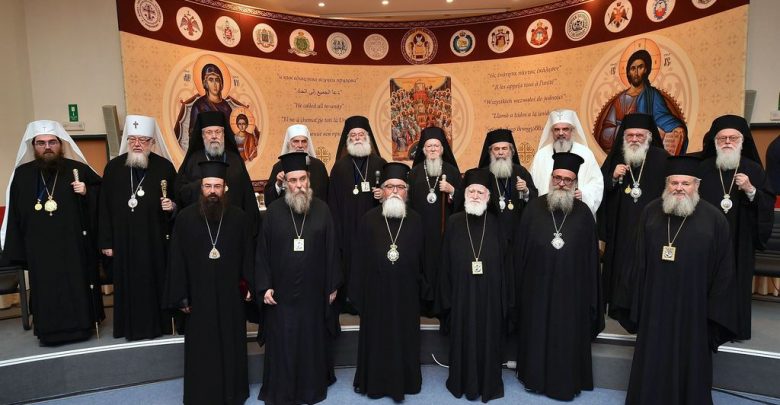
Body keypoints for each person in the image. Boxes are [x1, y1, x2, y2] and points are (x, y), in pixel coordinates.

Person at [621, 156, 738, 405]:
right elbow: (637, 259)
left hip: (694, 308)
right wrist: (636, 300)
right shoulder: (650, 212)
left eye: (686, 183)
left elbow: (724, 270)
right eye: (674, 183)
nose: (679, 188)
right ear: (667, 185)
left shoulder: (714, 219)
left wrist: (714, 311)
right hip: (655, 304)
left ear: (696, 185)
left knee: (690, 358)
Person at [1, 120, 103, 344]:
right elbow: (15, 215)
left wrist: (87, 192)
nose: (47, 147)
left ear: (61, 144)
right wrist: (19, 250)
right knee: (45, 290)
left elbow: (104, 198)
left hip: (72, 246)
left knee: (75, 286)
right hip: (40, 250)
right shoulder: (22, 175)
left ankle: (81, 329)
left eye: (52, 142)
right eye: (41, 143)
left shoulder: (78, 170)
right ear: (33, 146)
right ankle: (48, 333)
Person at [514, 152, 602, 401]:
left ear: (575, 182)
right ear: (551, 178)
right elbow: (521, 252)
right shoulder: (533, 208)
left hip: (572, 293)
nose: (561, 183)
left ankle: (566, 382)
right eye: (557, 178)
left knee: (566, 336)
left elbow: (591, 260)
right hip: (537, 289)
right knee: (537, 331)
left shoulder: (584, 214)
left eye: (567, 179)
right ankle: (534, 379)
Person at [165, 160, 254, 405]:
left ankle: (233, 392)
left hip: (230, 296)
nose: (212, 191)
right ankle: (201, 393)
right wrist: (181, 295)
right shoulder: (185, 219)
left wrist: (248, 285)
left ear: (225, 188)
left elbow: (248, 255)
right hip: (198, 296)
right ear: (201, 188)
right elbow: (177, 259)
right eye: (208, 186)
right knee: (202, 346)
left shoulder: (239, 218)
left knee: (231, 342)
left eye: (217, 186)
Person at [256, 152, 341, 405]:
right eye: (293, 181)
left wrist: (332, 285)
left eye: (303, 179)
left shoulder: (322, 210)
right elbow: (262, 253)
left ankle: (310, 389)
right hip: (281, 295)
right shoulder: (273, 212)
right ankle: (283, 390)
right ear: (285, 183)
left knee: (311, 340)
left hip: (314, 292)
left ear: (309, 179)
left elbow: (332, 249)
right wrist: (265, 286)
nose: (299, 185)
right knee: (284, 339)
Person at [350, 162, 424, 401]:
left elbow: (424, 259)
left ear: (407, 192)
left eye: (400, 187)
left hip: (406, 294)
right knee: (377, 338)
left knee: (405, 337)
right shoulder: (368, 219)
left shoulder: (416, 220)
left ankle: (407, 381)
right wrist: (359, 294)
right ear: (381, 191)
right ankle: (376, 382)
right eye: (389, 186)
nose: (394, 191)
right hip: (376, 294)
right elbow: (358, 259)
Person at [98, 115, 177, 340]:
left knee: (155, 282)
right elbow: (103, 207)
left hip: (155, 240)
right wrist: (106, 242)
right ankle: (127, 327)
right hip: (123, 241)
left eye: (143, 140)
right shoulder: (113, 168)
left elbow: (179, 201)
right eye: (132, 139)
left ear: (152, 142)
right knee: (128, 285)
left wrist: (172, 206)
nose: (137, 144)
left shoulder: (164, 167)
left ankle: (159, 325)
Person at [697, 115, 774, 340]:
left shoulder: (754, 170)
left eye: (733, 138)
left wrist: (751, 190)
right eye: (722, 138)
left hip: (741, 238)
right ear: (715, 142)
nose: (727, 142)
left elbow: (766, 203)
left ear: (742, 141)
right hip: (706, 239)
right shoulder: (702, 169)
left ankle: (734, 327)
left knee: (736, 281)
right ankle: (705, 325)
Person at [437, 168, 510, 402]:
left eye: (480, 192)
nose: (476, 196)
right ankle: (461, 381)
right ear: (464, 194)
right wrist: (447, 298)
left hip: (490, 298)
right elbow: (445, 263)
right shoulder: (454, 222)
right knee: (463, 337)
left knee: (488, 339)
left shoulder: (497, 224)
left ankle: (488, 383)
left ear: (488, 196)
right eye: (471, 191)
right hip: (461, 296)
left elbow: (506, 265)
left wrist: (504, 300)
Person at [598, 113, 669, 320]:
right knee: (620, 265)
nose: (635, 139)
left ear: (649, 136)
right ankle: (618, 305)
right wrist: (612, 177)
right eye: (630, 135)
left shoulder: (661, 158)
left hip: (652, 227)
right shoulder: (617, 157)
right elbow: (601, 189)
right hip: (622, 225)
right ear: (624, 137)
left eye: (639, 135)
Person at [328, 115, 387, 314]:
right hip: (348, 228)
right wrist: (337, 231)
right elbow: (333, 202)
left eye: (361, 134)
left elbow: (395, 195)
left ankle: (373, 300)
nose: (357, 138)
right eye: (353, 135)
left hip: (375, 229)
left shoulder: (380, 164)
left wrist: (383, 196)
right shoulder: (339, 167)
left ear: (367, 137)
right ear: (348, 140)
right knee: (351, 264)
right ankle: (350, 302)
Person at [406, 126, 461, 317]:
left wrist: (452, 191)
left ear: (442, 149)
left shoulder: (452, 172)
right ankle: (425, 304)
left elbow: (464, 202)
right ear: (423, 149)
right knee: (423, 265)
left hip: (445, 233)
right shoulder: (414, 174)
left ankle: (442, 305)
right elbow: (408, 203)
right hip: (421, 232)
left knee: (443, 266)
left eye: (436, 146)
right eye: (429, 146)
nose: (432, 149)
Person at [175, 111, 258, 233]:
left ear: (224, 134)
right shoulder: (193, 161)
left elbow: (247, 196)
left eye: (218, 132)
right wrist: (201, 185)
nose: (214, 136)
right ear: (202, 135)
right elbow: (182, 193)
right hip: (200, 227)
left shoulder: (235, 160)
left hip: (232, 226)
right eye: (209, 132)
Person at [595, 49, 687, 155]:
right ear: (628, 72)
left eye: (640, 67)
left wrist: (676, 127)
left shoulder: (652, 95)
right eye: (633, 68)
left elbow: (662, 117)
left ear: (646, 70)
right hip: (624, 153)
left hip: (648, 154)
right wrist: (627, 129)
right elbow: (605, 134)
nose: (636, 72)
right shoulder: (619, 100)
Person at [530, 109, 604, 216]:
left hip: (575, 213)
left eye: (565, 129)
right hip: (547, 213)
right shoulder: (541, 155)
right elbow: (533, 185)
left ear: (572, 131)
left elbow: (596, 183)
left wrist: (584, 195)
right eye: (556, 129)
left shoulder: (586, 153)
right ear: (552, 132)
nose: (561, 133)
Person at [477, 128, 538, 241]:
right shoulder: (482, 174)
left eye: (504, 148)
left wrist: (526, 191)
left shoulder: (521, 172)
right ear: (490, 152)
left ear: (511, 151)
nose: (500, 152)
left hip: (517, 230)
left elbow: (535, 199)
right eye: (496, 149)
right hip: (490, 232)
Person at [264, 124, 329, 206]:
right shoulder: (279, 167)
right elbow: (268, 201)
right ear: (289, 144)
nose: (300, 145)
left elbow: (327, 196)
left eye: (304, 141)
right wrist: (278, 184)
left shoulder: (319, 166)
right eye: (296, 141)